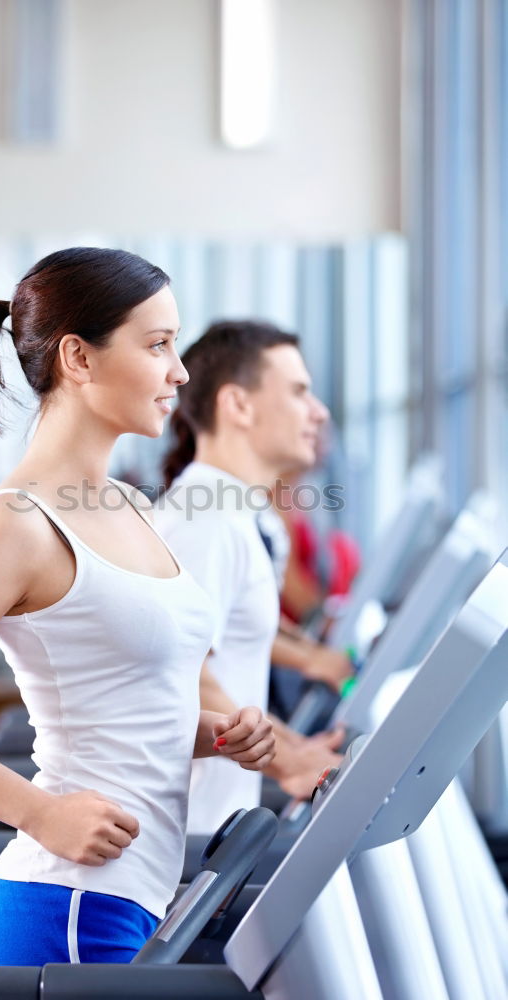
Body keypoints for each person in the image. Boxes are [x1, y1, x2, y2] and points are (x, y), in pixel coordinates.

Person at [0, 248, 275, 966]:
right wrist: (37, 812)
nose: (179, 372)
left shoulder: (133, 507)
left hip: (128, 896)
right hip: (67, 908)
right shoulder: (16, 523)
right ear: (79, 357)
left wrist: (218, 733)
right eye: (158, 345)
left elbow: (122, 704)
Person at [156, 320, 343, 834]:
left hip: (217, 819)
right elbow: (183, 672)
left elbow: (233, 639)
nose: (318, 411)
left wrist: (300, 747)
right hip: (186, 835)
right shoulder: (205, 522)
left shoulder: (238, 515)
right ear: (238, 405)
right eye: (300, 392)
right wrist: (291, 762)